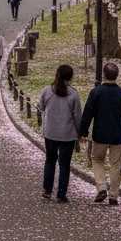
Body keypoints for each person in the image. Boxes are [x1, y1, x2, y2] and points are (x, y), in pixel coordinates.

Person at [78, 63, 121, 206]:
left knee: (97, 159)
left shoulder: (96, 92)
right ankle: (113, 195)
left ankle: (101, 187)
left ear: (103, 75)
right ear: (117, 76)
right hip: (118, 135)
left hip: (100, 134)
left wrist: (83, 132)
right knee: (116, 165)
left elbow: (87, 114)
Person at [37, 64, 82, 202]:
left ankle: (47, 189)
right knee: (64, 164)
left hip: (50, 132)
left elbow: (40, 107)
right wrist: (80, 133)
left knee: (50, 160)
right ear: (71, 77)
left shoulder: (47, 90)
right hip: (67, 134)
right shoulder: (73, 94)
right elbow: (77, 117)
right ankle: (61, 193)